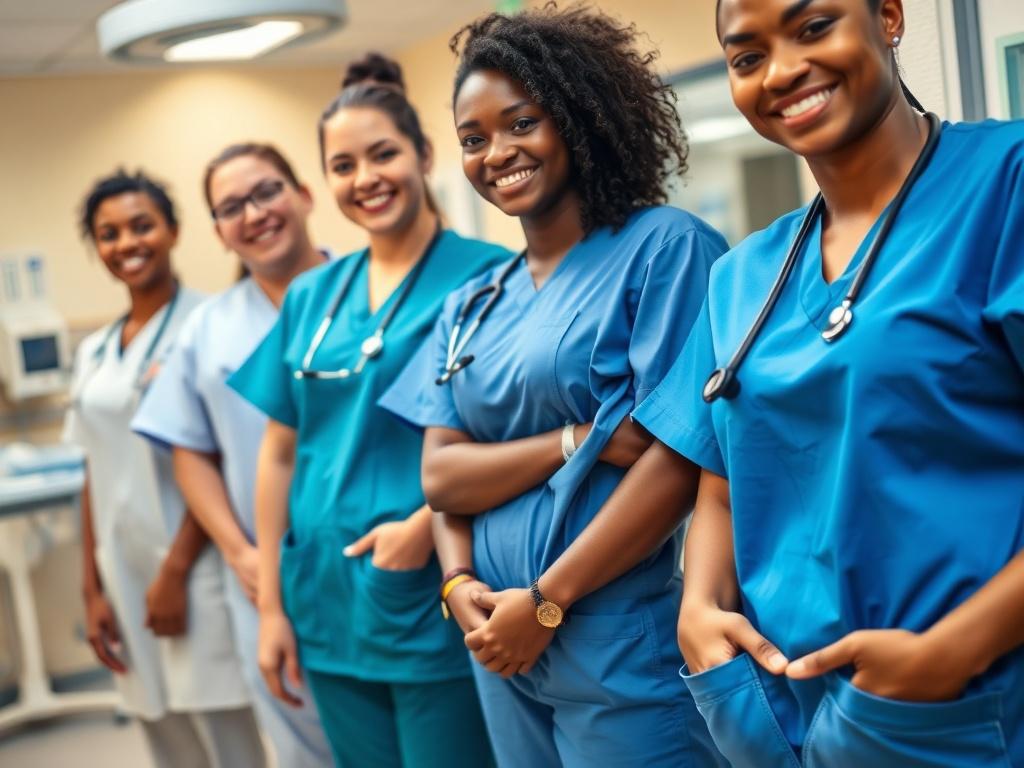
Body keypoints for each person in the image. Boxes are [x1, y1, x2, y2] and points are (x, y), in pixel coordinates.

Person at [551, 0, 1024, 764]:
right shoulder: (745, 275)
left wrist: (951, 653)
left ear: (890, 17)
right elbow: (722, 469)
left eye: (813, 27)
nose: (781, 71)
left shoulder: (1006, 185)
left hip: (966, 700)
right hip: (778, 713)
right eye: (746, 58)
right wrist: (699, 611)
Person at [380, 7, 729, 766]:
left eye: (520, 123)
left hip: (614, 633)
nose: (495, 153)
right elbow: (441, 478)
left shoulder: (664, 249)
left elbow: (672, 461)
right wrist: (458, 580)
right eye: (473, 139)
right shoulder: (472, 304)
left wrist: (548, 601)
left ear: (578, 118)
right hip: (498, 642)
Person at [227, 53, 510, 768]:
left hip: (421, 585)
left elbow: (514, 443)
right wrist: (271, 608)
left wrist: (424, 527)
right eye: (344, 165)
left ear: (422, 155)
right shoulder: (310, 296)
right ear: (326, 183)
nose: (366, 179)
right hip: (320, 591)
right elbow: (280, 451)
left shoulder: (485, 278)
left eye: (383, 154)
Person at [132, 143, 333, 768]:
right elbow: (189, 447)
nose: (253, 214)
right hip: (267, 577)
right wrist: (241, 552)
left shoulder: (373, 286)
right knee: (304, 743)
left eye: (267, 192)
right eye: (231, 207)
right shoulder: (208, 329)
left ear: (304, 194)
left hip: (384, 559)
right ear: (218, 232)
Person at [65, 170, 265, 768]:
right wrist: (91, 588)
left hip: (197, 568)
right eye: (109, 234)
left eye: (142, 225)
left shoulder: (211, 326)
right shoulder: (94, 351)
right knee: (162, 731)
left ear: (174, 231)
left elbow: (222, 461)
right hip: (122, 573)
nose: (127, 243)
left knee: (227, 737)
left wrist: (175, 572)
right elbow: (91, 470)